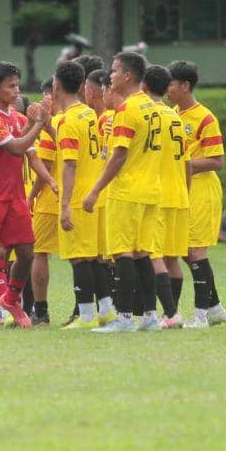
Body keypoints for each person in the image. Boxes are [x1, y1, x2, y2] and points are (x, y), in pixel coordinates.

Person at [83, 52, 164, 333]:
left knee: (122, 254)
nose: (111, 76)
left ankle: (125, 317)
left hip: (127, 190)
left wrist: (94, 191)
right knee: (142, 253)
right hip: (151, 190)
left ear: (128, 76)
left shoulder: (125, 110)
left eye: (115, 71)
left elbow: (118, 156)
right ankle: (150, 316)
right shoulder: (153, 108)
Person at [0, 61, 50, 329]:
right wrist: (38, 123)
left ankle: (10, 299)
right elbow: (16, 148)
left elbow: (35, 142)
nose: (16, 90)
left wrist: (46, 116)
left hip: (14, 194)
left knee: (27, 252)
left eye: (17, 85)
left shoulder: (16, 117)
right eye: (10, 86)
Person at [166, 60, 226, 329]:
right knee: (183, 249)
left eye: (170, 84)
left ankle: (202, 315)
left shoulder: (205, 117)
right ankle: (215, 308)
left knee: (195, 249)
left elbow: (216, 161)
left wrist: (183, 164)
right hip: (180, 188)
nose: (166, 89)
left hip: (202, 189)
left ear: (184, 85)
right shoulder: (173, 115)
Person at [54, 61, 115, 329]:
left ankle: (86, 316)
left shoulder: (68, 122)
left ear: (56, 86)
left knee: (80, 258)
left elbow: (69, 164)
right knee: (95, 258)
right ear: (81, 87)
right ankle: (106, 310)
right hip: (96, 194)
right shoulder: (90, 115)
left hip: (79, 196)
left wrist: (65, 204)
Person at [143, 65, 190, 327]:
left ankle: (171, 313)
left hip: (159, 194)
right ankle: (170, 313)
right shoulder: (176, 118)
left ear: (143, 87)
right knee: (171, 257)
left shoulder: (150, 116)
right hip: (179, 194)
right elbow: (187, 162)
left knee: (154, 255)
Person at [27, 77, 61, 325]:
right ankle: (88, 310)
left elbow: (45, 165)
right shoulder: (86, 116)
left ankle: (41, 311)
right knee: (88, 256)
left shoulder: (56, 122)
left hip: (52, 199)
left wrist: (32, 195)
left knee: (39, 253)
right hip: (81, 196)